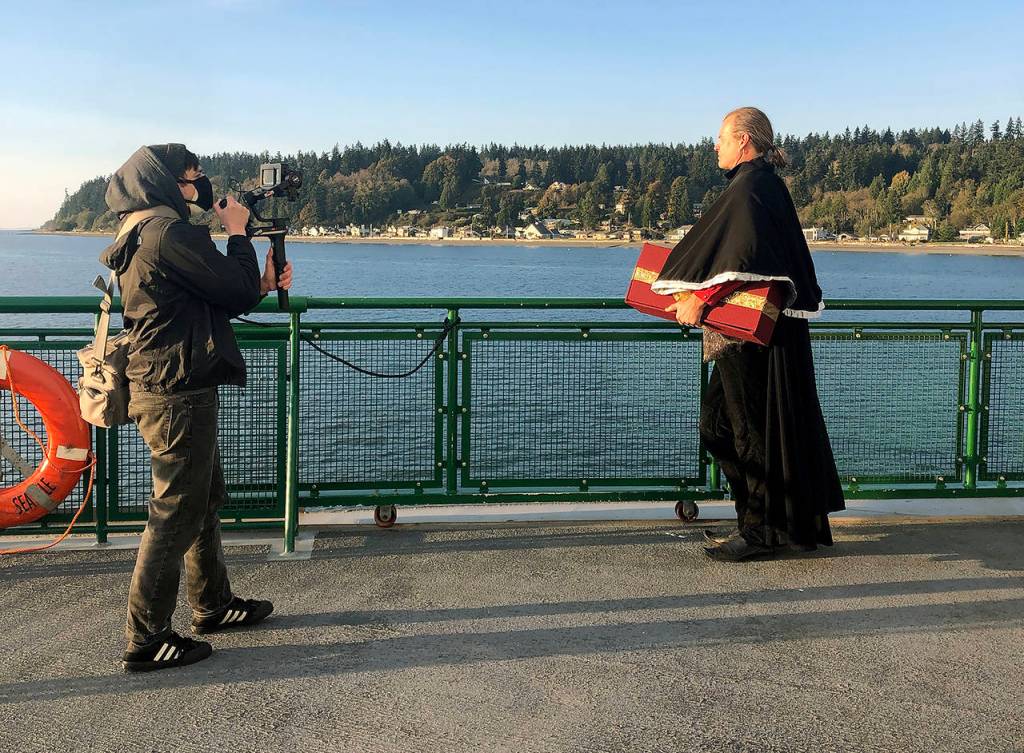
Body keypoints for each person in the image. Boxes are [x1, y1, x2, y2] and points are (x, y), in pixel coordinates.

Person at [100, 144, 294, 671]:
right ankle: (146, 637)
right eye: (191, 180)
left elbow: (222, 292)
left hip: (169, 382)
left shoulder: (146, 229)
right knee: (175, 511)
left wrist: (259, 282)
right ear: (163, 184)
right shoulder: (167, 233)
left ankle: (213, 604)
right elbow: (228, 291)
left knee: (202, 498)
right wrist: (236, 232)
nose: (199, 188)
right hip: (175, 390)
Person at [654, 108, 845, 561]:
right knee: (718, 428)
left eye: (720, 138)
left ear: (743, 141)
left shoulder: (753, 187)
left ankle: (760, 532)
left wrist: (701, 298)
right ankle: (757, 520)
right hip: (739, 336)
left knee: (749, 433)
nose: (713, 146)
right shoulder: (756, 186)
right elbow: (744, 253)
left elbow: (750, 256)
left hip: (750, 339)